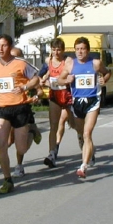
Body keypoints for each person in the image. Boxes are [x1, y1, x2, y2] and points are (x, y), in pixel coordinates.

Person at [0, 34, 39, 194]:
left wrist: (24, 87)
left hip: (20, 108)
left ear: (10, 47)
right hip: (3, 109)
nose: (1, 49)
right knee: (2, 144)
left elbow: (36, 78)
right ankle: (7, 179)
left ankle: (31, 131)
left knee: (21, 149)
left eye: (4, 45)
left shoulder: (20, 64)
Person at [57, 36, 111, 178]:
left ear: (88, 50)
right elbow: (59, 80)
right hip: (77, 103)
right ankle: (90, 153)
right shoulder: (70, 65)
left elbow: (107, 72)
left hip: (93, 101)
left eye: (83, 49)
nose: (80, 52)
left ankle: (83, 166)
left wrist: (103, 79)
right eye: (77, 49)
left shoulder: (95, 63)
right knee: (81, 134)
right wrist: (66, 80)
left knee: (87, 133)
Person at [39, 38, 74, 168]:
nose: (56, 52)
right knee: (54, 125)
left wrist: (67, 80)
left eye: (59, 49)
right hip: (54, 95)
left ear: (63, 50)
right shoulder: (48, 61)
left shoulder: (68, 61)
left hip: (67, 95)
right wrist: (43, 82)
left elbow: (74, 76)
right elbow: (39, 75)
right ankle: (52, 153)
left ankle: (86, 146)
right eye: (53, 49)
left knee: (73, 124)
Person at [8, 47, 42, 178]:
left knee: (18, 140)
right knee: (9, 140)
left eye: (16, 57)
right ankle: (33, 131)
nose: (13, 60)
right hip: (8, 108)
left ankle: (19, 165)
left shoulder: (26, 73)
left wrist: (37, 97)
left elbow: (39, 89)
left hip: (23, 109)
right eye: (11, 57)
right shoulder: (6, 72)